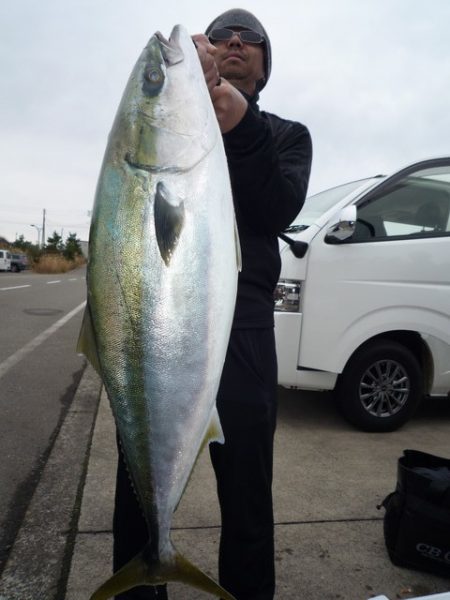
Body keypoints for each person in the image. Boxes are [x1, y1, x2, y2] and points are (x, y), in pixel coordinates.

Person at [113, 9, 312, 600]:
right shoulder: (171, 125)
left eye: (250, 38)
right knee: (137, 483)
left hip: (244, 323)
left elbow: (276, 207)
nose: (234, 42)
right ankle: (145, 569)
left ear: (263, 64)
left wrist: (241, 125)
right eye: (222, 34)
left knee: (249, 489)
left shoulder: (286, 136)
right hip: (155, 321)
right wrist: (182, 95)